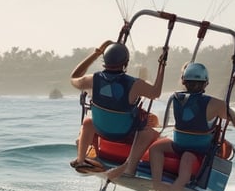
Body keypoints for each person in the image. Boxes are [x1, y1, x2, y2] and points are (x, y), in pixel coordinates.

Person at [109, 62, 235, 191]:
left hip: (181, 145)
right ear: (206, 83)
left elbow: (166, 122)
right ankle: (175, 185)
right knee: (183, 157)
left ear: (183, 81)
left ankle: (160, 183)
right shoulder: (216, 104)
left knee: (161, 150)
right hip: (197, 147)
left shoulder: (175, 98)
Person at [69, 40, 165, 172]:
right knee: (149, 133)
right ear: (125, 63)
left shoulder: (92, 80)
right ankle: (129, 166)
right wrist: (162, 66)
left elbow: (74, 77)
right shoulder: (135, 84)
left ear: (105, 61)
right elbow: (156, 93)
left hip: (101, 130)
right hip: (124, 132)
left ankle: (80, 159)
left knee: (87, 122)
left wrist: (97, 53)